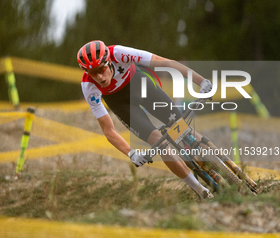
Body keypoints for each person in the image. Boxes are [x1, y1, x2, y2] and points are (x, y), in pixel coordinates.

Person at [77, 40, 213, 199]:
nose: (99, 76)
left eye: (101, 69)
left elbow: (164, 62)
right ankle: (199, 190)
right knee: (159, 143)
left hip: (140, 86)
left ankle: (224, 166)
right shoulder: (88, 87)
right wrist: (131, 153)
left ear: (109, 61)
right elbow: (108, 130)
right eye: (94, 73)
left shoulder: (119, 53)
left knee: (181, 127)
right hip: (122, 105)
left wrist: (201, 81)